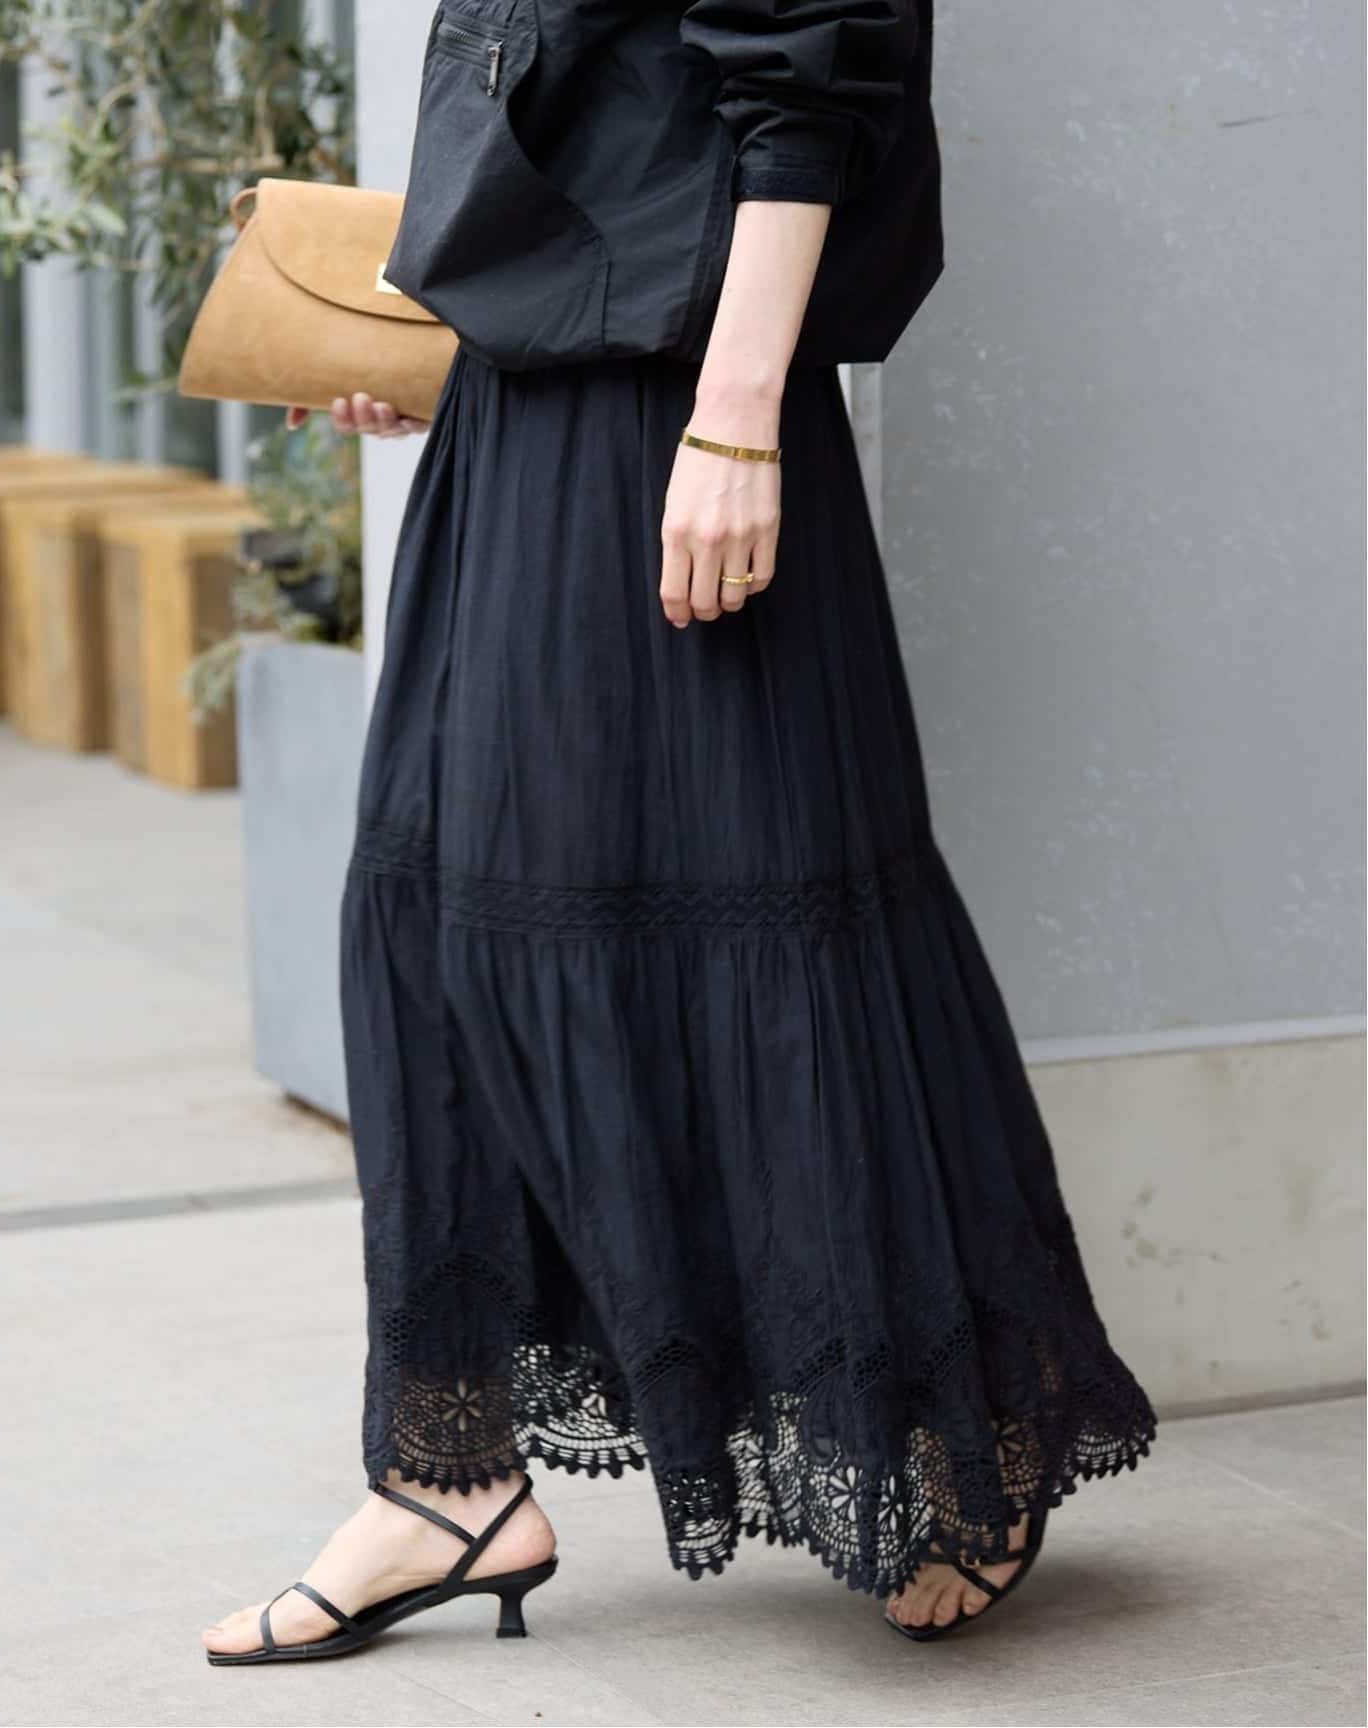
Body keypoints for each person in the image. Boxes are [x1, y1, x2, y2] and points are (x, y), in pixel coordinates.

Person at [203, 0, 1156, 1662]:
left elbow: (803, 82)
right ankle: (446, 1472)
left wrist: (735, 420)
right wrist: (447, 316)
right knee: (441, 926)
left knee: (768, 911)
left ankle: (962, 1447)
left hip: (684, 418)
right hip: (519, 416)